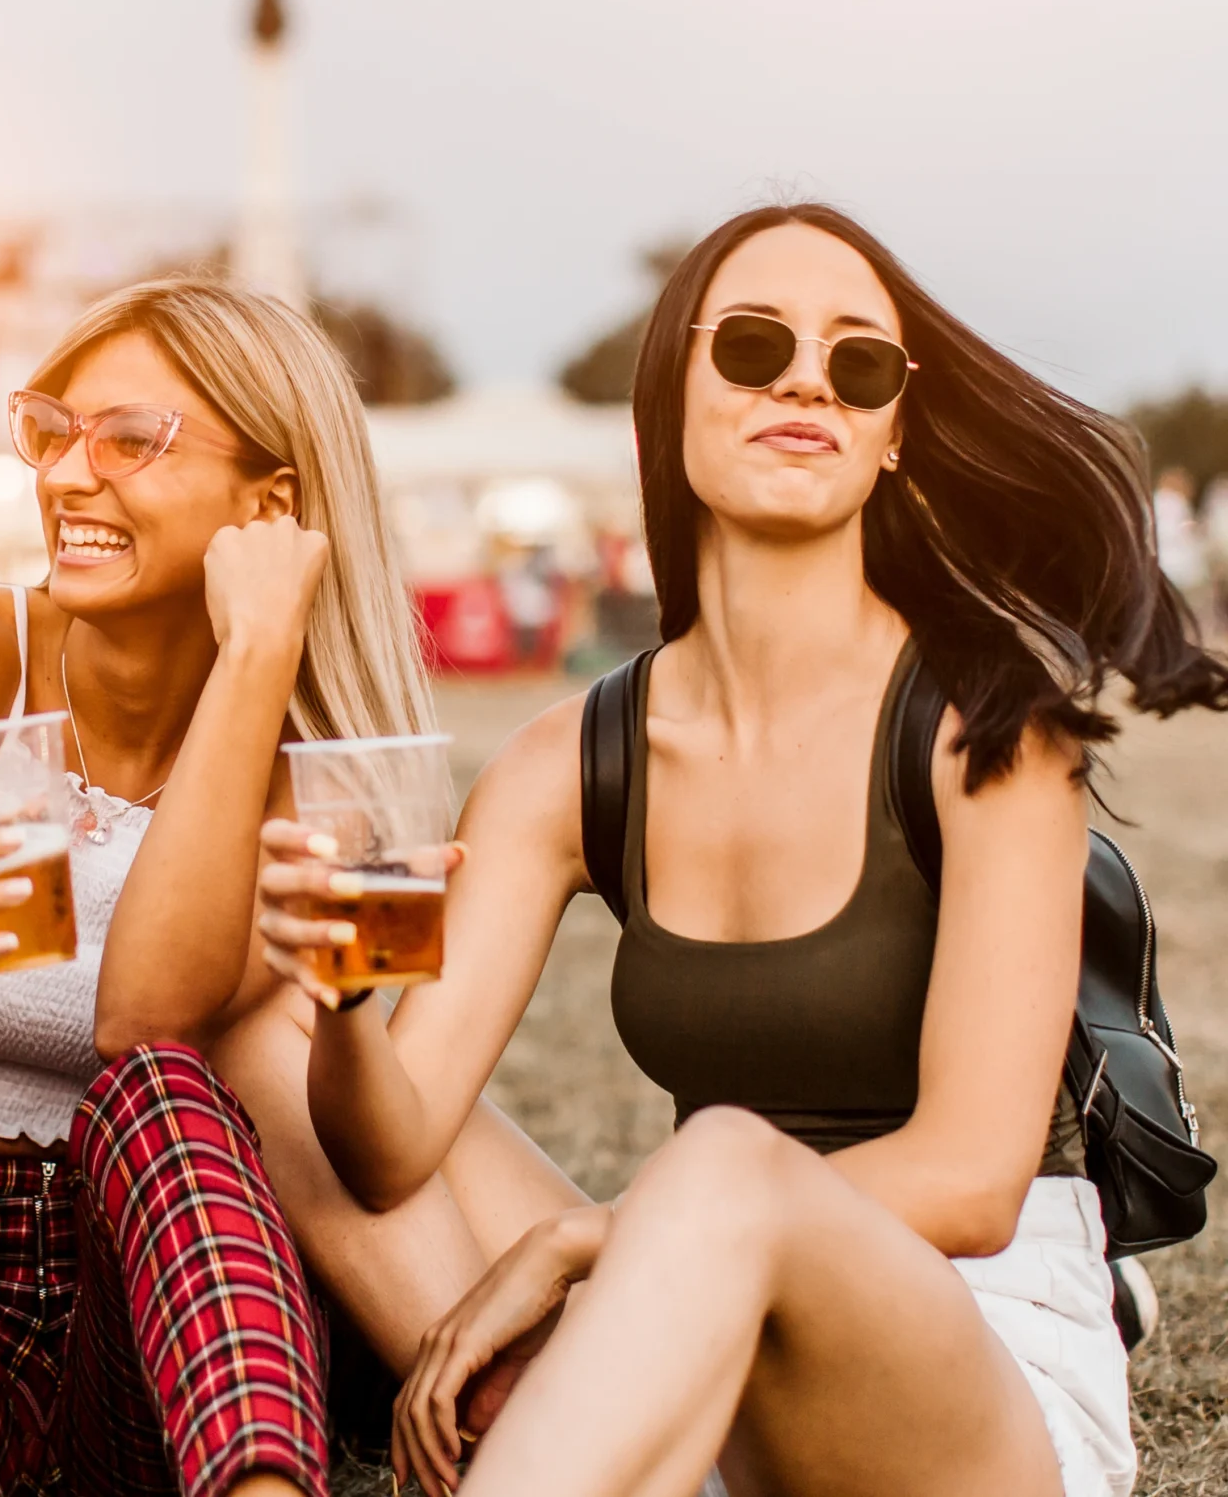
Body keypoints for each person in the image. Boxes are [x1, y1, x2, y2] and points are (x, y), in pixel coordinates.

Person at [257, 205, 1228, 1497]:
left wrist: (593, 1237)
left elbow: (975, 1175)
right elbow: (386, 1152)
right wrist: (342, 1006)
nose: (808, 380)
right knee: (251, 1027)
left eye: (859, 362)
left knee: (719, 1158)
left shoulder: (990, 726)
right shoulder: (569, 761)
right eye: (756, 345)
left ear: (891, 434)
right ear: (668, 404)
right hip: (695, 1319)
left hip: (968, 1349)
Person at [0, 278, 435, 1497]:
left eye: (129, 442)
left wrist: (259, 652)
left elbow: (140, 1024)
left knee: (168, 1087)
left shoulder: (308, 767)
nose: (65, 477)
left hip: (143, 1314)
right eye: (52, 429)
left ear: (268, 505)